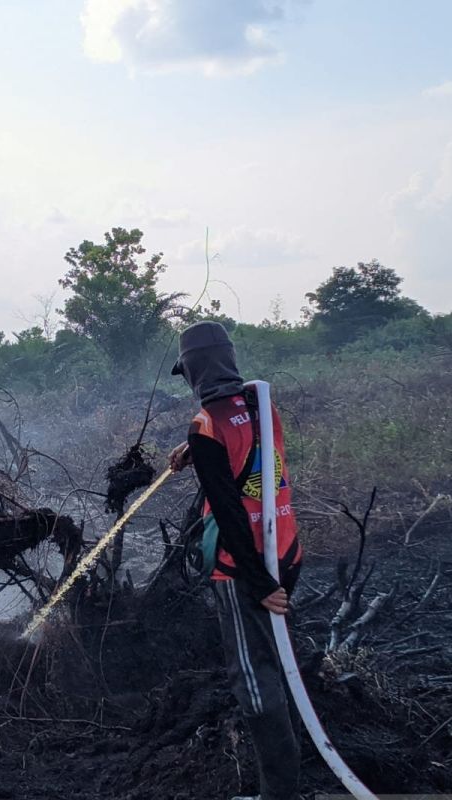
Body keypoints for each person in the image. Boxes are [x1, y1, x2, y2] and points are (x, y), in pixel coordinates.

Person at [168, 320, 303, 800]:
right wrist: (194, 451)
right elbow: (246, 443)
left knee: (253, 677)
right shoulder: (262, 404)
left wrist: (259, 581)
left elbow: (227, 512)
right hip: (286, 549)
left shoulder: (206, 425)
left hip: (243, 566)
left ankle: (279, 794)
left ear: (192, 372)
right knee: (275, 655)